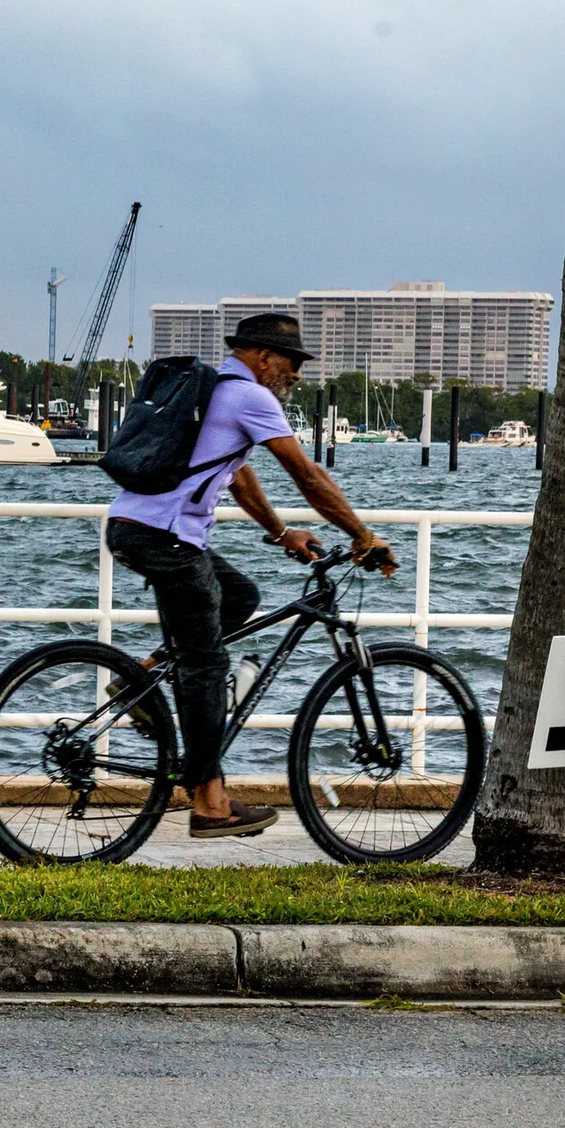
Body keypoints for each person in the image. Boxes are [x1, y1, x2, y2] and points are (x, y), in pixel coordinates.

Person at [105, 313, 398, 837]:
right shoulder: (250, 397)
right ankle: (210, 804)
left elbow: (238, 476)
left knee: (238, 595)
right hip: (164, 537)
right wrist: (363, 535)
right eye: (291, 363)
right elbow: (308, 475)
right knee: (207, 666)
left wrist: (282, 533)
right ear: (263, 357)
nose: (296, 375)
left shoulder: (216, 393)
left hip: (139, 528)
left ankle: (141, 678)